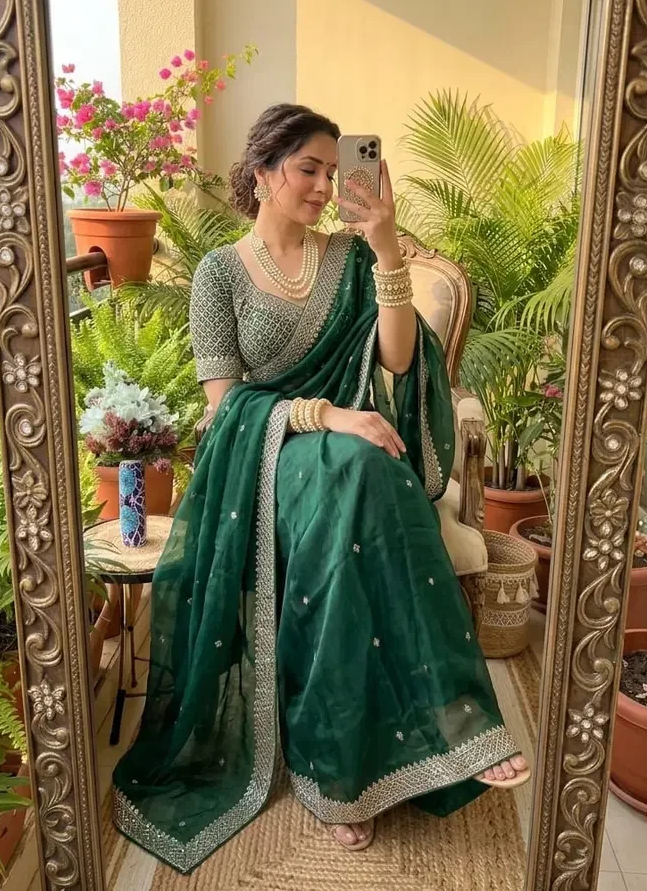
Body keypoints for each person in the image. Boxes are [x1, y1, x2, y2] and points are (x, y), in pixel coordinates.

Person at [113, 103, 529, 873]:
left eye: (334, 172)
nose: (324, 186)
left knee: (368, 479)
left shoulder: (347, 255)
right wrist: (328, 415)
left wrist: (385, 245)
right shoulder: (218, 273)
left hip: (356, 451)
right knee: (363, 469)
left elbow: (398, 362)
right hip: (270, 453)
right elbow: (223, 406)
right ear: (263, 170)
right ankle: (416, 737)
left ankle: (355, 763)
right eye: (309, 168)